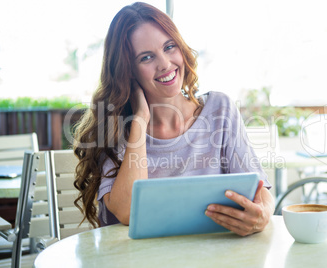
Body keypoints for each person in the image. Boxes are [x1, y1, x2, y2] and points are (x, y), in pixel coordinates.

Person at [73, 2, 275, 237]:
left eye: (169, 47)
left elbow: (260, 190)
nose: (165, 64)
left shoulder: (220, 109)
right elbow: (127, 211)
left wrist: (264, 214)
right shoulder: (118, 127)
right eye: (147, 57)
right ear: (127, 70)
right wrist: (139, 119)